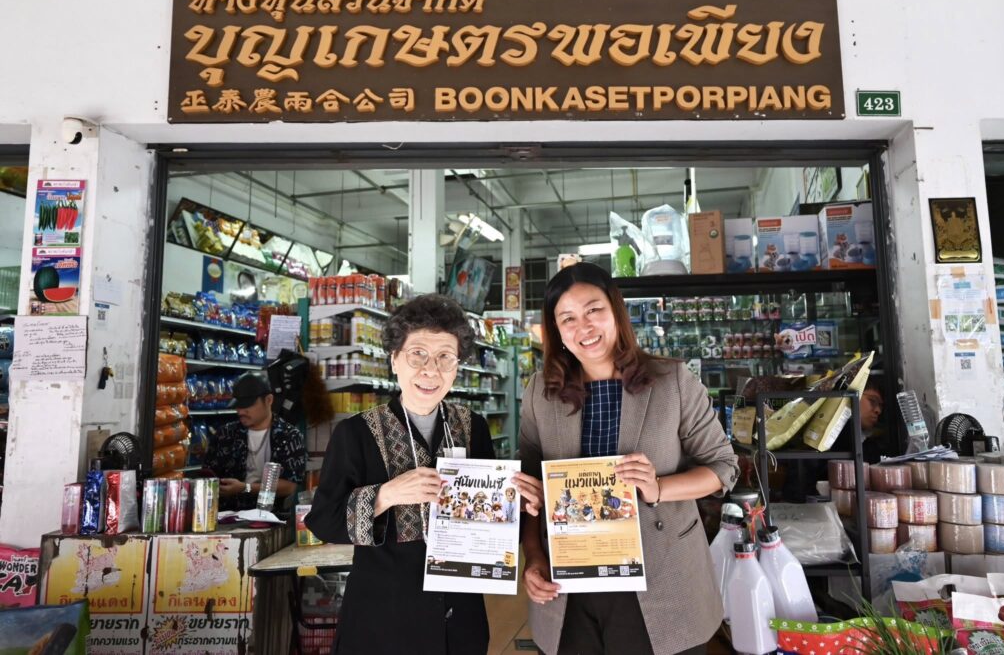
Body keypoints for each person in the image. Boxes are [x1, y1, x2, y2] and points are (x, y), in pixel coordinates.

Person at [519, 262, 740, 655]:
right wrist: (534, 558)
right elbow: (529, 488)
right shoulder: (540, 391)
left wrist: (658, 488)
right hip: (569, 581)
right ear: (556, 331)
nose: (584, 327)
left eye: (594, 310)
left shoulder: (672, 381)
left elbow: (723, 467)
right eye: (568, 318)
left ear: (616, 311)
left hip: (662, 575)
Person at [305, 294, 543, 655]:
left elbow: (490, 522)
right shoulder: (356, 433)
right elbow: (324, 521)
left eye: (445, 357)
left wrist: (516, 505)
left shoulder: (472, 427)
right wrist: (386, 495)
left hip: (459, 618)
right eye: (418, 354)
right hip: (382, 620)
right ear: (394, 359)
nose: (431, 370)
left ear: (457, 366)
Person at [202, 371, 306, 510]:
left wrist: (245, 488)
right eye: (238, 406)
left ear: (268, 400)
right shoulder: (225, 434)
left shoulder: (289, 436)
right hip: (226, 515)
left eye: (247, 406)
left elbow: (288, 486)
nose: (240, 411)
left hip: (272, 516)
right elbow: (208, 474)